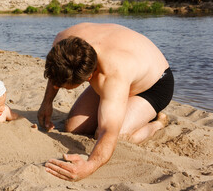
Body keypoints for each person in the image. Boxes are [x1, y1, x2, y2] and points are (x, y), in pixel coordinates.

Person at [37, 23, 174, 181]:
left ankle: (157, 123)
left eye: (64, 87)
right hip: (122, 76)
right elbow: (56, 71)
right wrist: (47, 103)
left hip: (155, 86)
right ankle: (124, 105)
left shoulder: (113, 73)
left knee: (117, 135)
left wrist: (90, 166)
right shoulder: (62, 41)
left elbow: (108, 131)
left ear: (89, 77)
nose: (57, 86)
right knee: (72, 127)